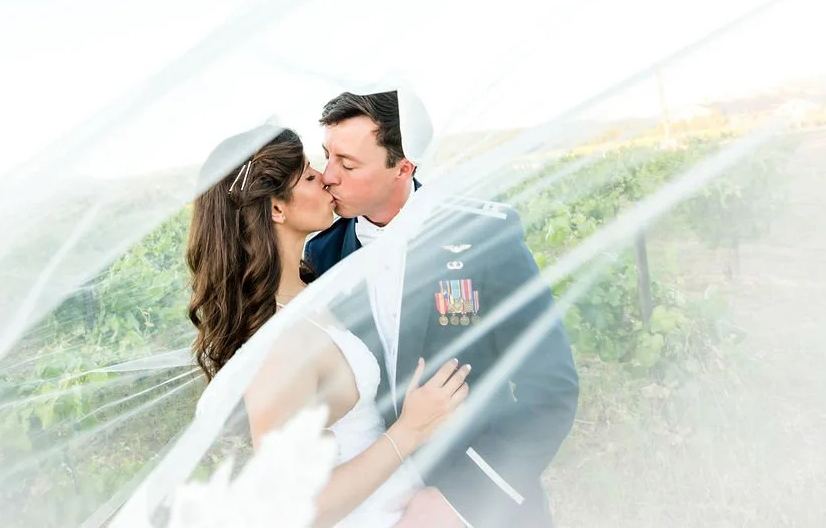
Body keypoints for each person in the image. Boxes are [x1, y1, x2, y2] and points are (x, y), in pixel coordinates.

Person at [304, 91, 580, 527]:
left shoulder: (485, 235)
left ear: (403, 167)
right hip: (371, 505)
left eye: (348, 163)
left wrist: (460, 500)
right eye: (326, 157)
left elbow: (551, 388)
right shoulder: (321, 255)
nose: (327, 176)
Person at [186, 125, 467, 528]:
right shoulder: (277, 344)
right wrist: (409, 430)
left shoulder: (315, 285)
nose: (327, 178)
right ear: (277, 209)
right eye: (309, 175)